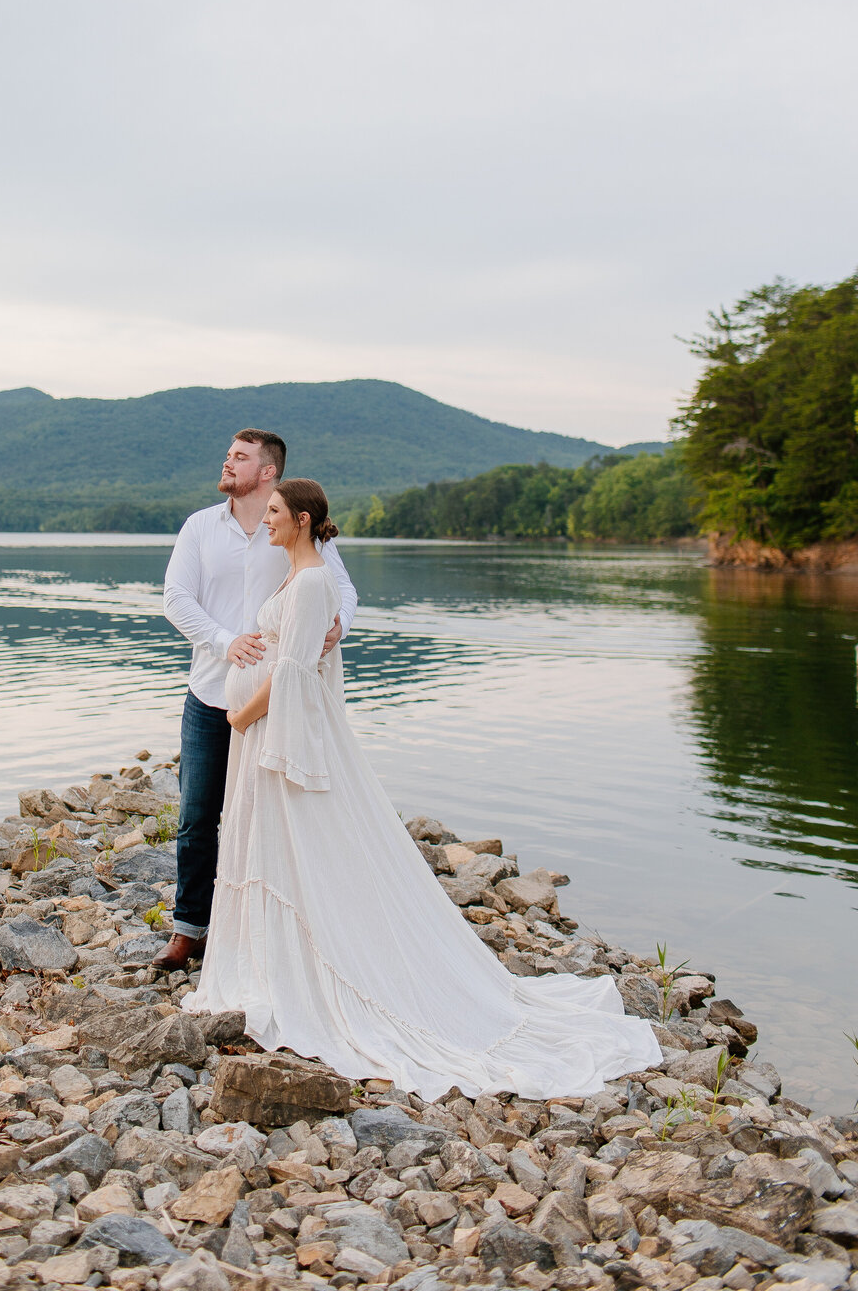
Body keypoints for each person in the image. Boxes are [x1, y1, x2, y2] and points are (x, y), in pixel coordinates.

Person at [182, 477, 662, 1099]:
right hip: (265, 736)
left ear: (301, 520)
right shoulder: (296, 576)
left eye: (273, 512)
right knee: (272, 850)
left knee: (301, 851)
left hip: (272, 735)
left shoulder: (313, 582)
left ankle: (316, 973)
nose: (264, 521)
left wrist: (240, 717)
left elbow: (297, 672)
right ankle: (269, 963)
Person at [156, 430, 357, 972]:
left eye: (239, 456)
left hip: (274, 705)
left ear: (267, 471)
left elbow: (340, 590)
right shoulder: (200, 527)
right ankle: (189, 931)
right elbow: (176, 599)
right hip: (209, 694)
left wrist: (335, 628)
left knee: (269, 815)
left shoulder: (289, 520)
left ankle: (271, 932)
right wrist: (226, 641)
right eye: (228, 453)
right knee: (198, 816)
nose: (227, 461)